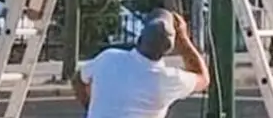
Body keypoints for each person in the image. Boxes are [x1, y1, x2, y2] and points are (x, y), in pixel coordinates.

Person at [72, 9, 210, 118]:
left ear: (140, 37)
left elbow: (78, 79)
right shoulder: (167, 79)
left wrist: (90, 107)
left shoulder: (108, 58)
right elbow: (203, 78)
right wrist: (184, 39)